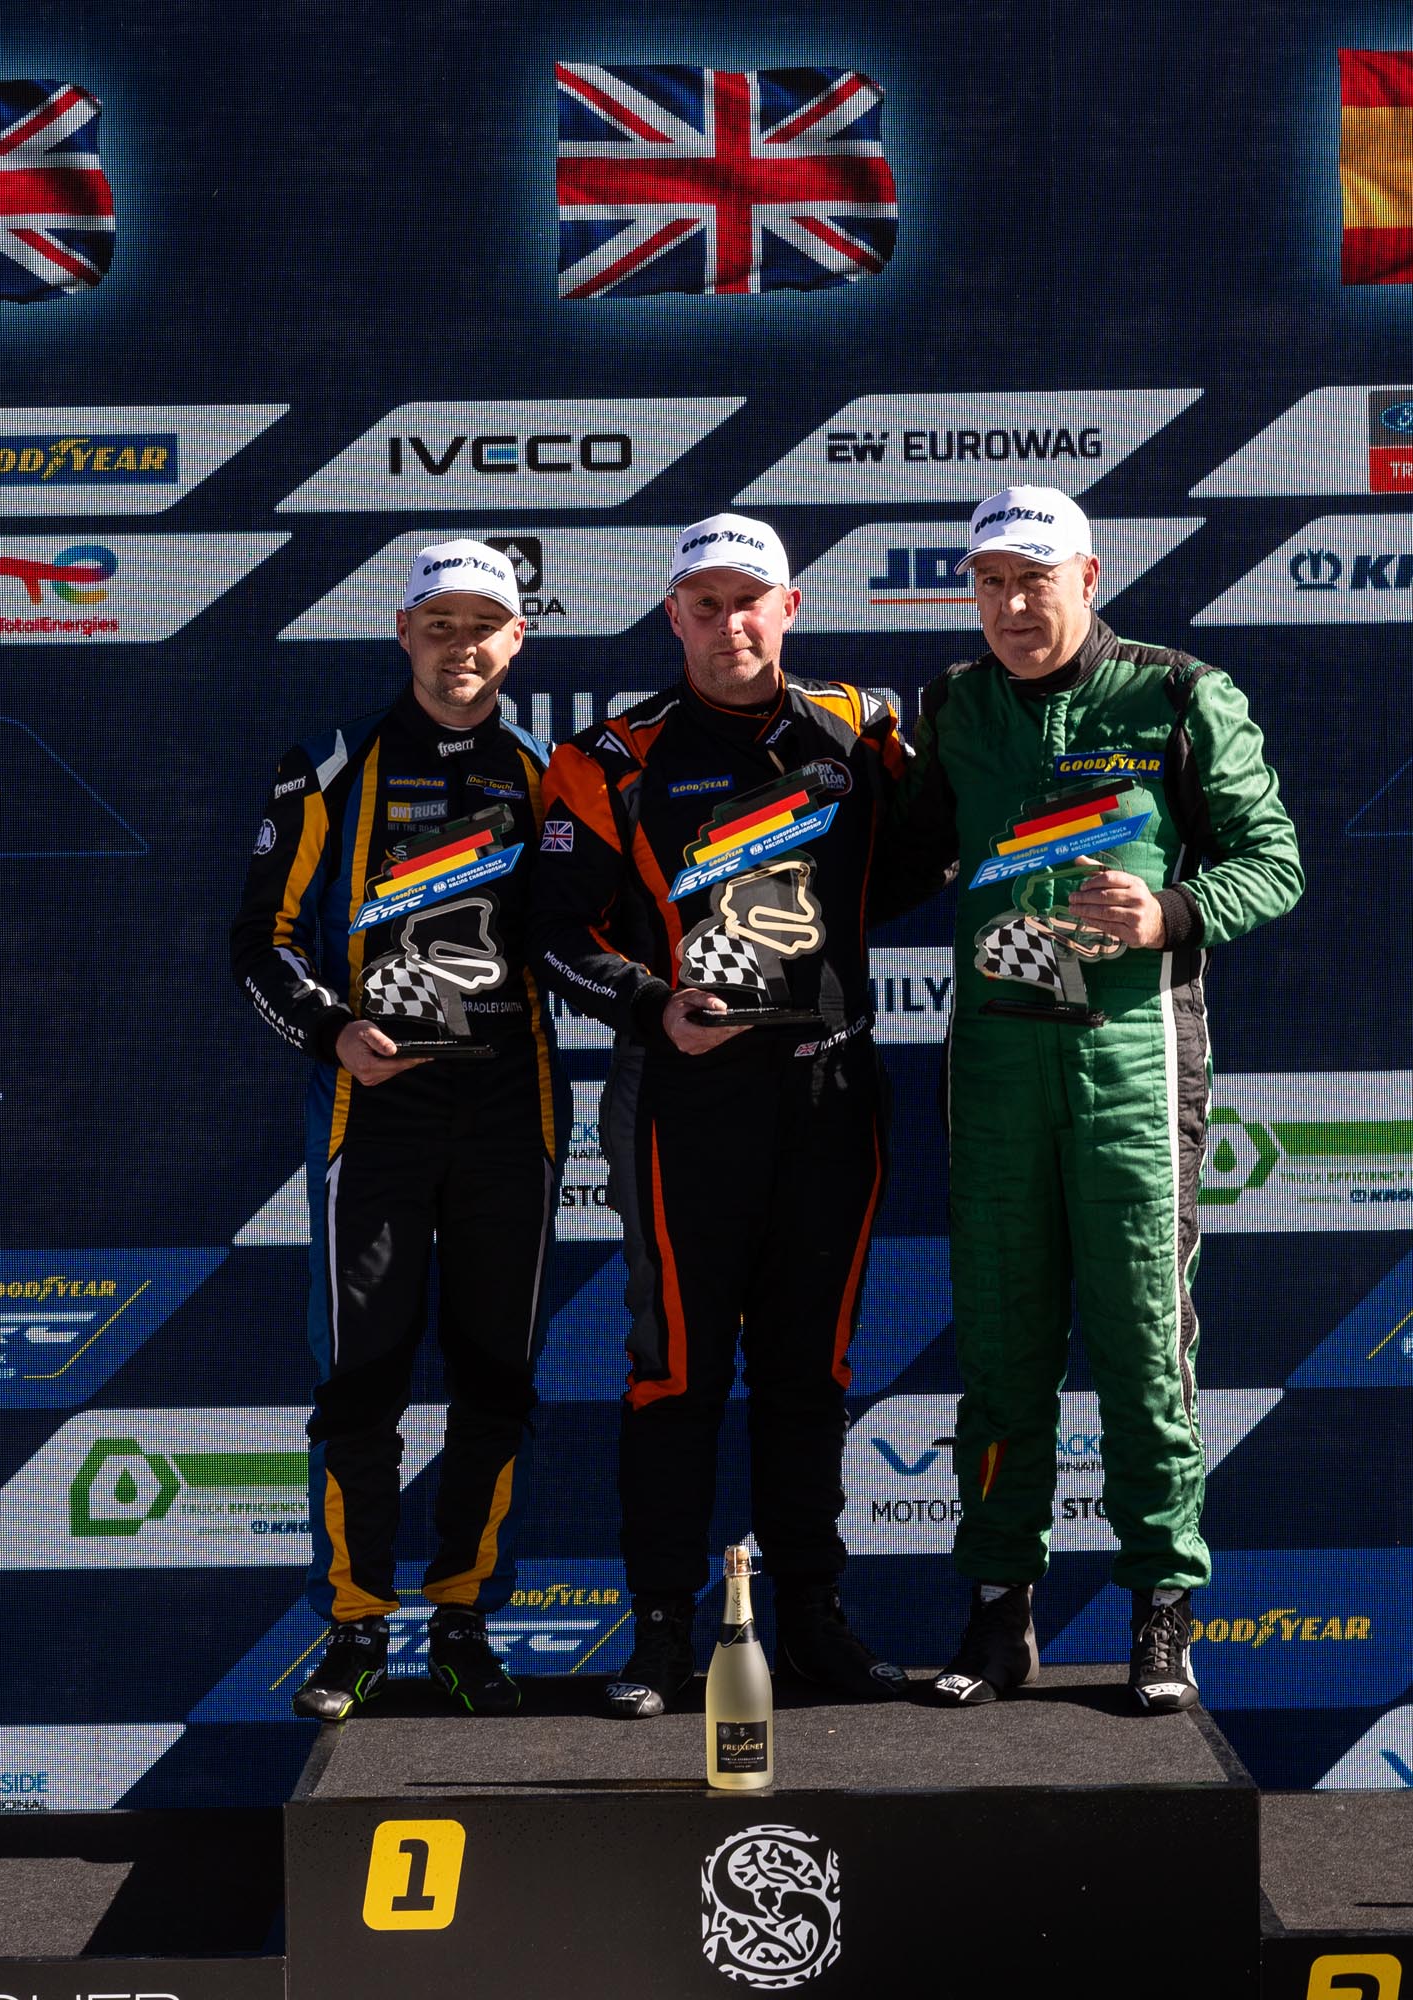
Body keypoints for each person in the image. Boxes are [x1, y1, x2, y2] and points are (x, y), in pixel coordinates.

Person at [893, 486, 1303, 1714]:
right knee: (1001, 1346)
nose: (1013, 605)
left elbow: (1273, 860)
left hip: (1133, 1059)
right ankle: (997, 1607)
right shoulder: (953, 706)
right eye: (991, 583)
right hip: (995, 1063)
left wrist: (1172, 911)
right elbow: (897, 857)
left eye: (1035, 578)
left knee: (1142, 1342)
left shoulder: (1178, 693)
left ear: (1087, 574)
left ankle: (1162, 1607)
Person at [531, 512, 936, 1717]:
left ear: (789, 607)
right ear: (674, 616)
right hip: (686, 1099)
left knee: (813, 1367)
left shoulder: (861, 729)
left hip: (831, 1091)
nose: (729, 624)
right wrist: (652, 1004)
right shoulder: (610, 756)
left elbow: (920, 858)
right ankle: (661, 1629)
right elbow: (550, 929)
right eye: (704, 605)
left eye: (749, 600)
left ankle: (811, 1618)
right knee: (678, 1370)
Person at [229, 539, 564, 1720]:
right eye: (438, 623)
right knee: (360, 1378)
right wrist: (333, 1033)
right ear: (403, 632)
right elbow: (260, 938)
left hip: (510, 1108)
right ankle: (356, 1624)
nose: (459, 645)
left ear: (517, 638)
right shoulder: (332, 761)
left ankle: (466, 1620)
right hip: (371, 1110)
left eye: (482, 624)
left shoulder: (550, 771)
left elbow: (586, 930)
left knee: (496, 1375)